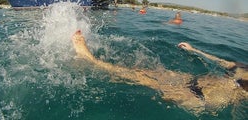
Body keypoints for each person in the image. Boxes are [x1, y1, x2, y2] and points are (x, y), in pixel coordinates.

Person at [72, 30, 248, 116]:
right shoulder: (243, 66)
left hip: (200, 98)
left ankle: (91, 60)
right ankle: (95, 62)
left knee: (140, 78)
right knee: (146, 71)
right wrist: (194, 50)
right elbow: (221, 62)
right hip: (193, 80)